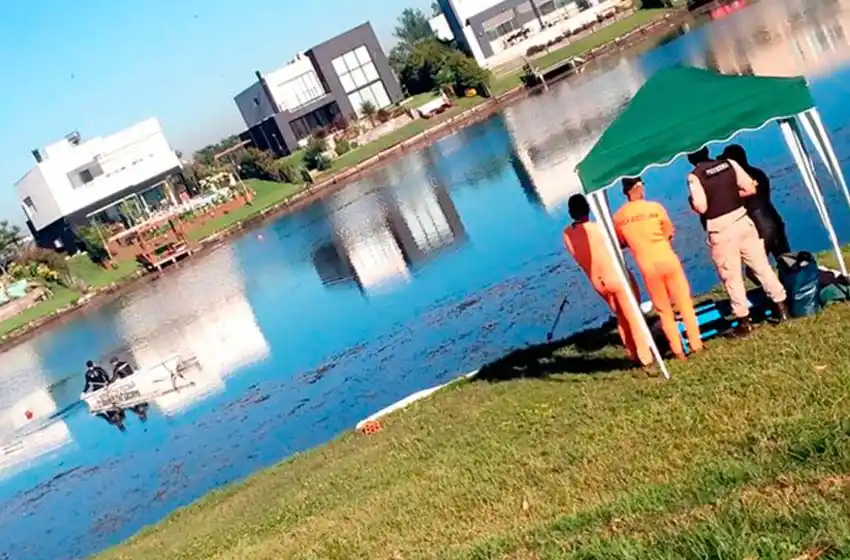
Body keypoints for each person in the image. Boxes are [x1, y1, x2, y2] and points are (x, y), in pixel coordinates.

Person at [687, 147, 788, 336]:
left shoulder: (695, 176)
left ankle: (744, 322)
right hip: (743, 221)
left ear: (690, 159)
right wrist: (732, 196)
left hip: (721, 229)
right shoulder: (730, 164)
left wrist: (693, 202)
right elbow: (750, 187)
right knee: (762, 266)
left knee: (731, 276)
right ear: (708, 150)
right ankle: (782, 307)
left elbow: (701, 206)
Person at [614, 177, 703, 360]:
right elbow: (668, 232)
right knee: (684, 302)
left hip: (647, 266)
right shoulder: (655, 208)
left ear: (625, 192)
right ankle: (696, 344)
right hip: (666, 258)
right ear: (639, 187)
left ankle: (678, 350)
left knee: (663, 310)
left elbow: (619, 242)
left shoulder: (618, 217)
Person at [563, 194, 653, 367]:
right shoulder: (599, 229)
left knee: (620, 315)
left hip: (598, 282)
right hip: (616, 276)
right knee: (633, 314)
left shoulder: (566, 234)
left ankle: (632, 353)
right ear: (588, 208)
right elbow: (619, 243)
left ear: (570, 212)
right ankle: (646, 356)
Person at [720, 144, 790, 260]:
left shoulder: (737, 182)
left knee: (756, 269)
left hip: (759, 227)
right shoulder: (758, 173)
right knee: (787, 261)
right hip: (774, 219)